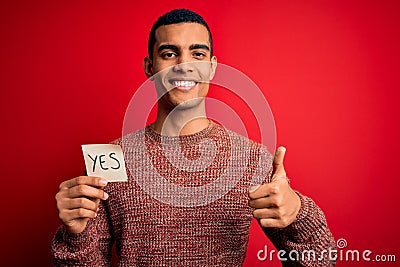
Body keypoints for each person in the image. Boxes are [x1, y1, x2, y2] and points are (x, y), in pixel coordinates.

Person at [52, 9, 336, 266]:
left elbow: (322, 260)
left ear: (212, 67)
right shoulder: (112, 158)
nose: (184, 65)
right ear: (149, 66)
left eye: (197, 54)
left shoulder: (252, 158)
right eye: (169, 53)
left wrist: (299, 212)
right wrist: (75, 234)